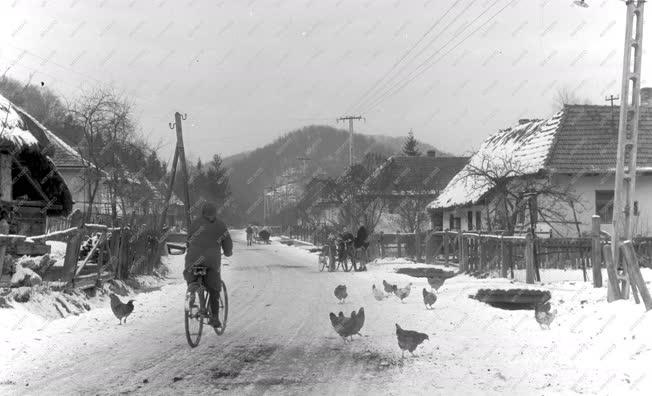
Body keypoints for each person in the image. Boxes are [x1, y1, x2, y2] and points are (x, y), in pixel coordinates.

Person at [184, 202, 233, 328]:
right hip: (211, 263)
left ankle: (192, 292)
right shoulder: (220, 225)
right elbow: (227, 242)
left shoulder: (194, 223)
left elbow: (188, 240)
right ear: (215, 213)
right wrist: (227, 252)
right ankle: (215, 317)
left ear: (202, 212)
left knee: (192, 277)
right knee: (214, 288)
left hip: (193, 260)